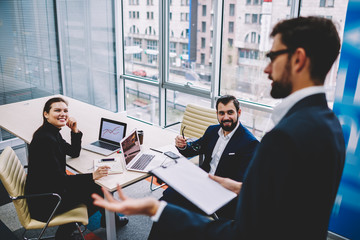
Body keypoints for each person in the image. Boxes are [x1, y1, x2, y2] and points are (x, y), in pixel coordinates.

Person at [92, 16, 346, 240]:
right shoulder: (328, 125)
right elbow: (293, 203)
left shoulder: (284, 136)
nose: (267, 69)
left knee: (168, 212)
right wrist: (241, 187)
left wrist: (155, 210)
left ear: (298, 59)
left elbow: (245, 233)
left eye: (272, 56)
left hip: (223, 206)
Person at [24, 97, 128, 239]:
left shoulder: (50, 132)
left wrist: (74, 130)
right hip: (47, 202)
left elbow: (73, 152)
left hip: (46, 191)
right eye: (57, 110)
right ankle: (65, 232)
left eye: (65, 111)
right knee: (100, 191)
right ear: (46, 114)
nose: (63, 114)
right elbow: (59, 180)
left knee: (97, 186)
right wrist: (92, 176)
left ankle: (108, 220)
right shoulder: (45, 140)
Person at [159, 95, 259, 219]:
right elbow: (193, 149)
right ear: (217, 114)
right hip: (202, 181)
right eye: (221, 113)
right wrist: (183, 145)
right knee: (165, 201)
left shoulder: (249, 143)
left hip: (222, 193)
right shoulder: (212, 131)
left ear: (238, 112)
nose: (226, 117)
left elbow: (240, 182)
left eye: (230, 112)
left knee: (174, 211)